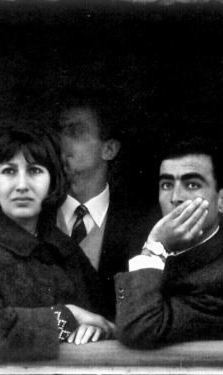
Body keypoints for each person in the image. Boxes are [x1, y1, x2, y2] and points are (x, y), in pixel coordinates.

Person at [0, 124, 114, 366]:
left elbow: (103, 317)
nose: (22, 185)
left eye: (34, 171)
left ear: (52, 182)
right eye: (9, 171)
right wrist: (69, 317)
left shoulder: (64, 248)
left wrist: (99, 330)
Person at [114, 138, 223, 348]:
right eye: (166, 185)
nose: (175, 197)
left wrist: (154, 247)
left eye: (192, 185)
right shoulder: (151, 257)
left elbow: (139, 329)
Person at [55, 95, 150, 320]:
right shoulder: (38, 215)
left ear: (109, 149)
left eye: (75, 131)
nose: (61, 141)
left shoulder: (140, 224)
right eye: (60, 131)